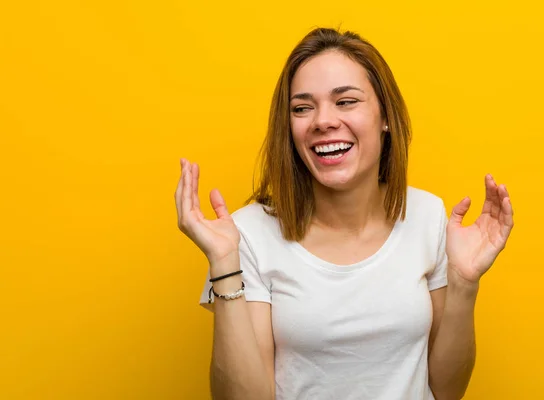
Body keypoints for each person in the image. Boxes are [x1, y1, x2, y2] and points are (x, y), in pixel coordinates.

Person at [175, 27, 514, 400]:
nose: (323, 120)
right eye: (302, 108)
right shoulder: (247, 234)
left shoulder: (428, 216)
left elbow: (446, 390)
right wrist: (225, 263)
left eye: (346, 101)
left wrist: (465, 284)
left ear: (385, 116)